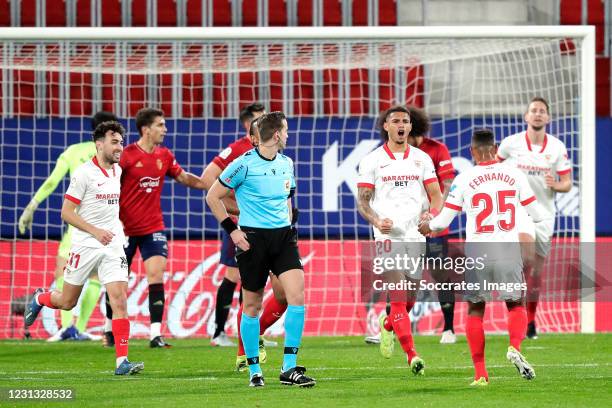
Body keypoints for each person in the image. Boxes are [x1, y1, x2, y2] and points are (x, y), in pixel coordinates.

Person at [419, 129, 547, 386]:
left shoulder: (464, 178)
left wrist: (428, 226)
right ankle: (514, 347)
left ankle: (480, 374)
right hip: (508, 250)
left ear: (472, 152)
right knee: (515, 305)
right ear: (496, 147)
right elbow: (538, 213)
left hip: (478, 253)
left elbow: (443, 220)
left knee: (476, 310)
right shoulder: (514, 175)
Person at [24, 121, 144, 375]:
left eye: (121, 142)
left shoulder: (117, 171)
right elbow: (66, 213)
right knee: (67, 302)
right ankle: (41, 297)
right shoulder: (83, 173)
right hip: (86, 244)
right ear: (99, 144)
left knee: (119, 299)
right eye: (114, 142)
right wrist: (95, 231)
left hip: (111, 243)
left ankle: (121, 362)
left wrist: (112, 230)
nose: (120, 147)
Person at [206, 111, 315, 388]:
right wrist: (233, 231)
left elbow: (288, 199)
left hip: (283, 239)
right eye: (286, 131)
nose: (288, 135)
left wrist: (289, 226)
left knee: (297, 296)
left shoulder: (287, 163)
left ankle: (289, 367)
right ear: (277, 135)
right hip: (253, 240)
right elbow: (212, 196)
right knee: (252, 305)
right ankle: (254, 369)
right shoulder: (242, 164)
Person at [103, 107, 207, 348]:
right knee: (117, 281)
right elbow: (109, 185)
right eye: (160, 125)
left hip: (153, 227)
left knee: (156, 275)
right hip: (124, 230)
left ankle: (155, 334)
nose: (165, 129)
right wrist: (113, 218)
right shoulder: (126, 156)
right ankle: (109, 329)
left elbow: (183, 177)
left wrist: (207, 185)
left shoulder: (165, 156)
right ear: (146, 129)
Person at [357, 105, 443, 377]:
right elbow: (363, 201)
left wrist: (431, 215)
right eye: (396, 121)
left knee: (409, 301)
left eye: (405, 121)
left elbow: (436, 195)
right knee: (398, 297)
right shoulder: (371, 160)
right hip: (387, 236)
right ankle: (412, 355)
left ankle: (388, 324)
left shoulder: (421, 159)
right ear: (386, 126)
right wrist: (376, 220)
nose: (401, 125)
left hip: (415, 234)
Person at [18, 111, 118, 342]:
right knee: (93, 277)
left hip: (80, 223)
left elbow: (53, 181)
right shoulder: (115, 154)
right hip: (104, 223)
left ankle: (68, 328)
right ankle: (77, 328)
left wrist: (31, 207)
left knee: (64, 270)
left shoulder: (74, 151)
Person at [201, 102, 285, 349]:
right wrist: (238, 209)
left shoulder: (275, 155)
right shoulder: (237, 149)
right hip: (242, 225)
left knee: (257, 281)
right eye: (262, 120)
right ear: (250, 126)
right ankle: (218, 332)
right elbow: (207, 179)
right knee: (235, 275)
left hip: (268, 228)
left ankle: (248, 335)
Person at [497, 97, 572, 339]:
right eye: (533, 111)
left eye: (542, 111)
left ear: (548, 118)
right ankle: (516, 313)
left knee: (536, 272)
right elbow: (492, 168)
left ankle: (530, 321)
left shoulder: (557, 147)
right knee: (525, 262)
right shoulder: (511, 144)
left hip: (545, 215)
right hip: (518, 213)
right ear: (526, 117)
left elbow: (567, 183)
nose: (537, 114)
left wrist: (556, 184)